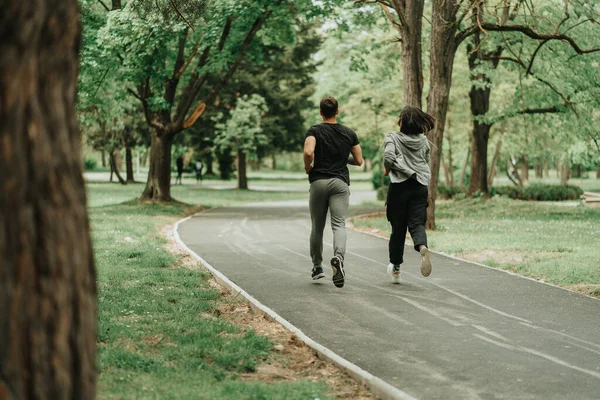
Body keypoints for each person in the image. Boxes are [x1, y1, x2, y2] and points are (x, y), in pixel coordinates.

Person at [303, 96, 363, 288]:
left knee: (317, 226)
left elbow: (308, 152)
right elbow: (359, 160)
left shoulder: (314, 130)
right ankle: (338, 257)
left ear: (321, 112)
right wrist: (341, 159)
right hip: (340, 183)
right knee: (339, 225)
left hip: (319, 182)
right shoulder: (349, 133)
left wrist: (308, 166)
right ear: (337, 111)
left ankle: (317, 268)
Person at [383, 106, 434, 283]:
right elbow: (426, 162)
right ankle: (422, 247)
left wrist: (387, 170)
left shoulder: (393, 137)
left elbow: (388, 157)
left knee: (398, 228)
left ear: (402, 123)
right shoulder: (424, 141)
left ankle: (396, 268)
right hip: (420, 185)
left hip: (399, 186)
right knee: (416, 223)